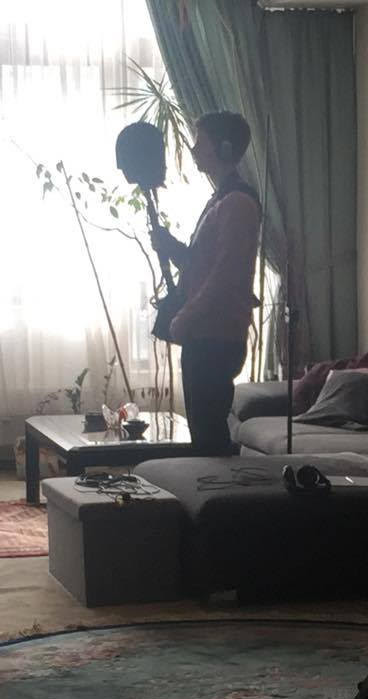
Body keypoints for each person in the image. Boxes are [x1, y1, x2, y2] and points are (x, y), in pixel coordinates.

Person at [151, 111, 261, 456]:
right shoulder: (220, 200)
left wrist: (186, 317)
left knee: (209, 434)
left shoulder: (237, 203)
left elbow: (226, 275)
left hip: (217, 336)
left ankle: (222, 489)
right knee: (203, 430)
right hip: (206, 333)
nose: (194, 148)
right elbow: (204, 265)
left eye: (201, 142)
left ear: (224, 148)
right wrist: (171, 247)